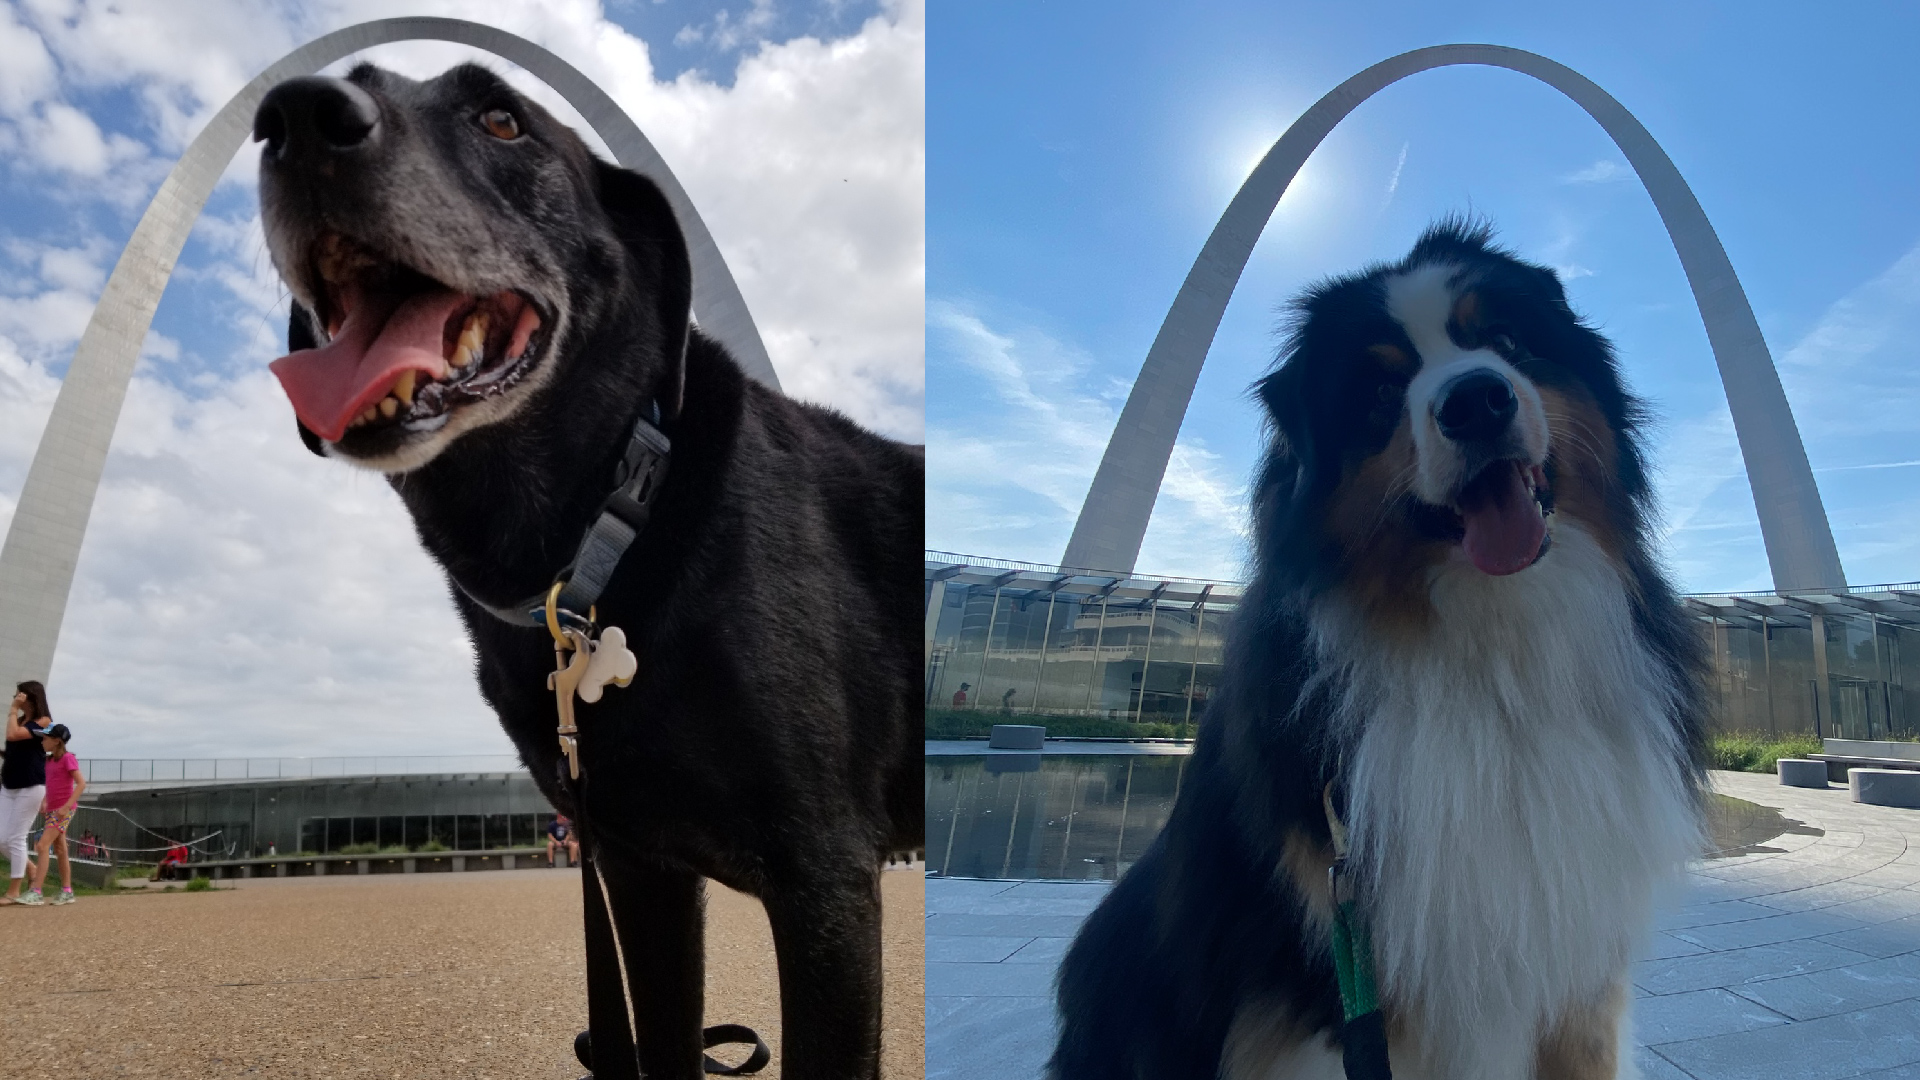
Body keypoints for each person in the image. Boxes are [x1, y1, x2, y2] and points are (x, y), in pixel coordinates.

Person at [2, 681, 52, 906]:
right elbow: (13, 747)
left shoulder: (44, 722)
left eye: (21, 695)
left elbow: (13, 735)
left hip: (31, 785)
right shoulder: (20, 720)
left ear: (32, 698)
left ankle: (14, 890)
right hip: (9, 784)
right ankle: (30, 868)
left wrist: (12, 709)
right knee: (1, 839)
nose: (17, 698)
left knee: (15, 837)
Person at [23, 724, 84, 906]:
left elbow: (81, 783)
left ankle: (36, 891)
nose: (43, 741)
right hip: (53, 810)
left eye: (46, 738)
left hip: (63, 811)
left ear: (57, 741)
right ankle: (67, 891)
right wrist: (45, 802)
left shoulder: (68, 759)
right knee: (60, 849)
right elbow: (51, 785)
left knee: (42, 845)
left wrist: (66, 807)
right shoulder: (48, 761)